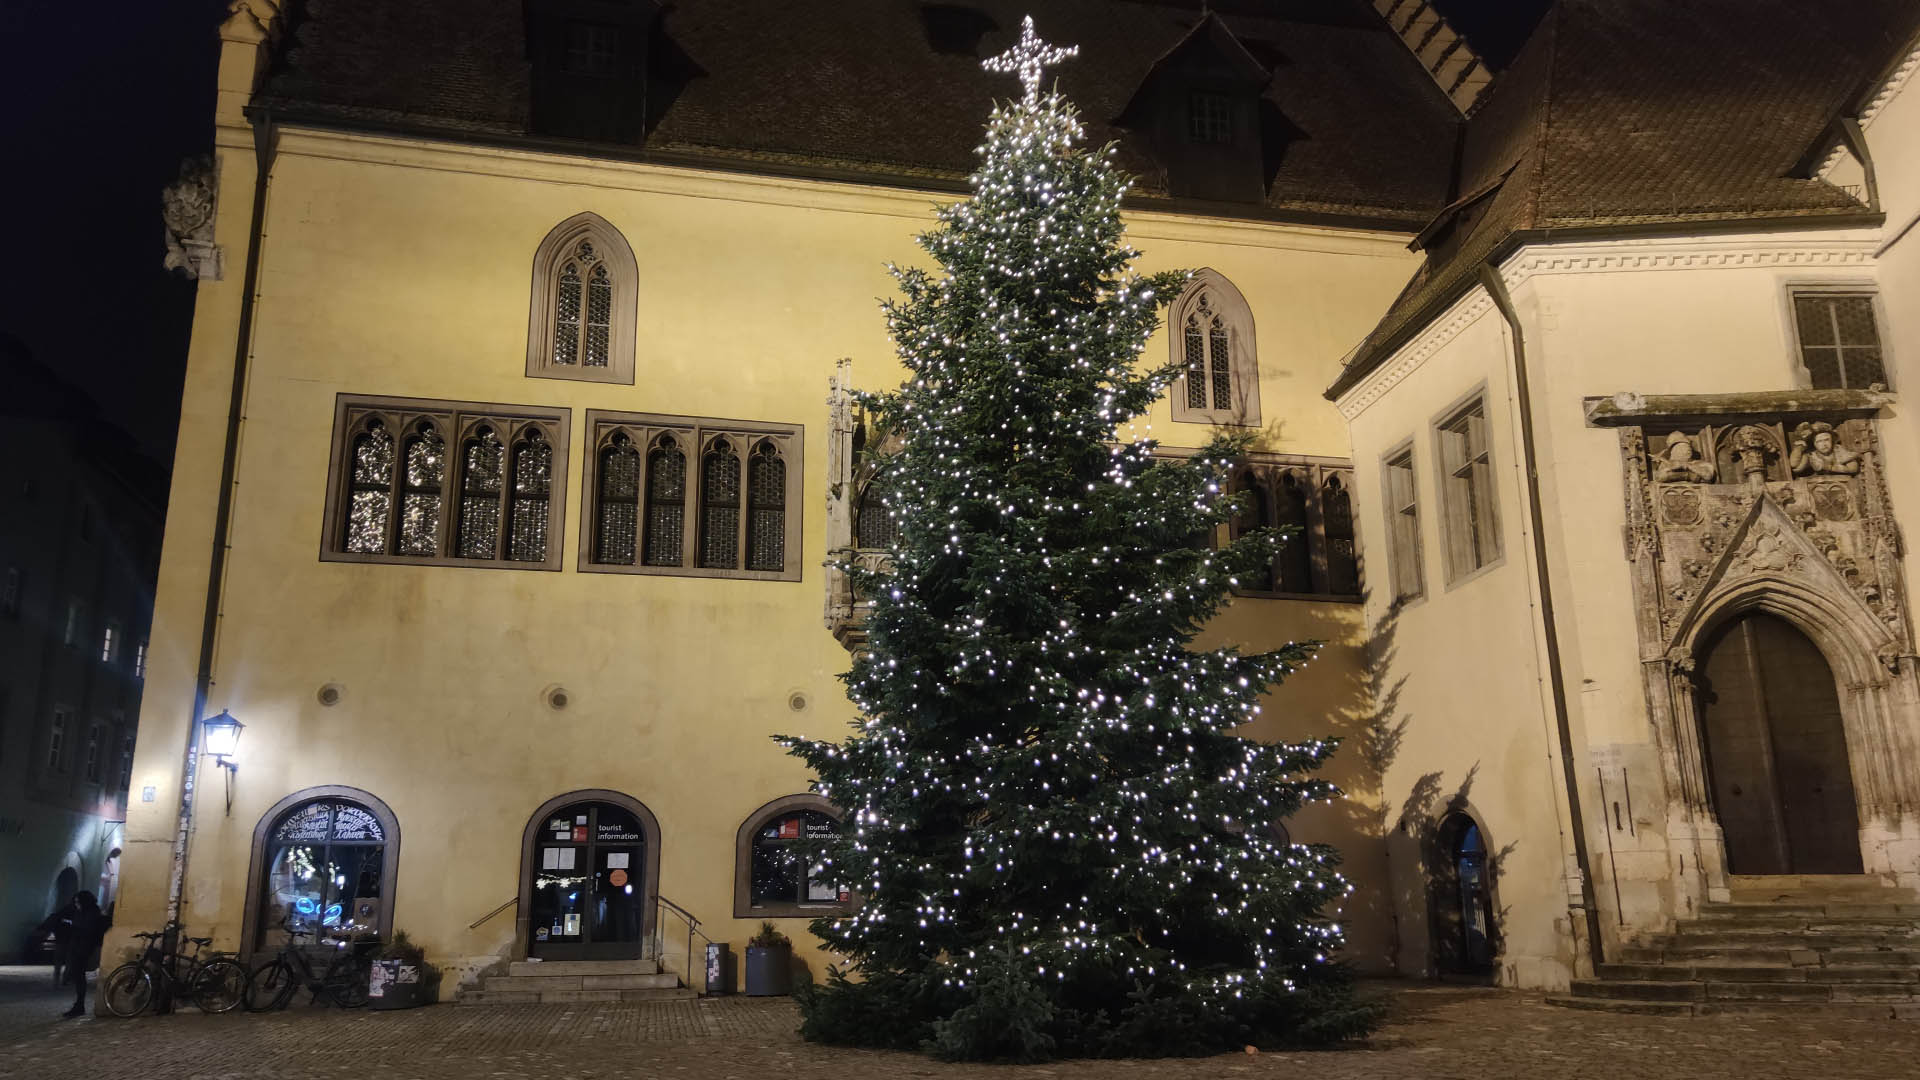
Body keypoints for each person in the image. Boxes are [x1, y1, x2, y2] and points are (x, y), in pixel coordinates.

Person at [61, 891, 107, 1018]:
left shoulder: (91, 913)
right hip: (79, 946)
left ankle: (79, 1005)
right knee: (78, 976)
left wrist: (72, 925)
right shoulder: (85, 912)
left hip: (83, 948)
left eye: (77, 902)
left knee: (79, 976)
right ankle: (78, 1004)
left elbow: (87, 929)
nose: (76, 904)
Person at [32, 900, 75, 985]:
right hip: (70, 942)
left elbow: (46, 927)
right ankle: (65, 980)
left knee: (58, 962)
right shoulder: (75, 916)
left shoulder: (57, 916)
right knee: (69, 962)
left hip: (60, 941)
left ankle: (57, 981)